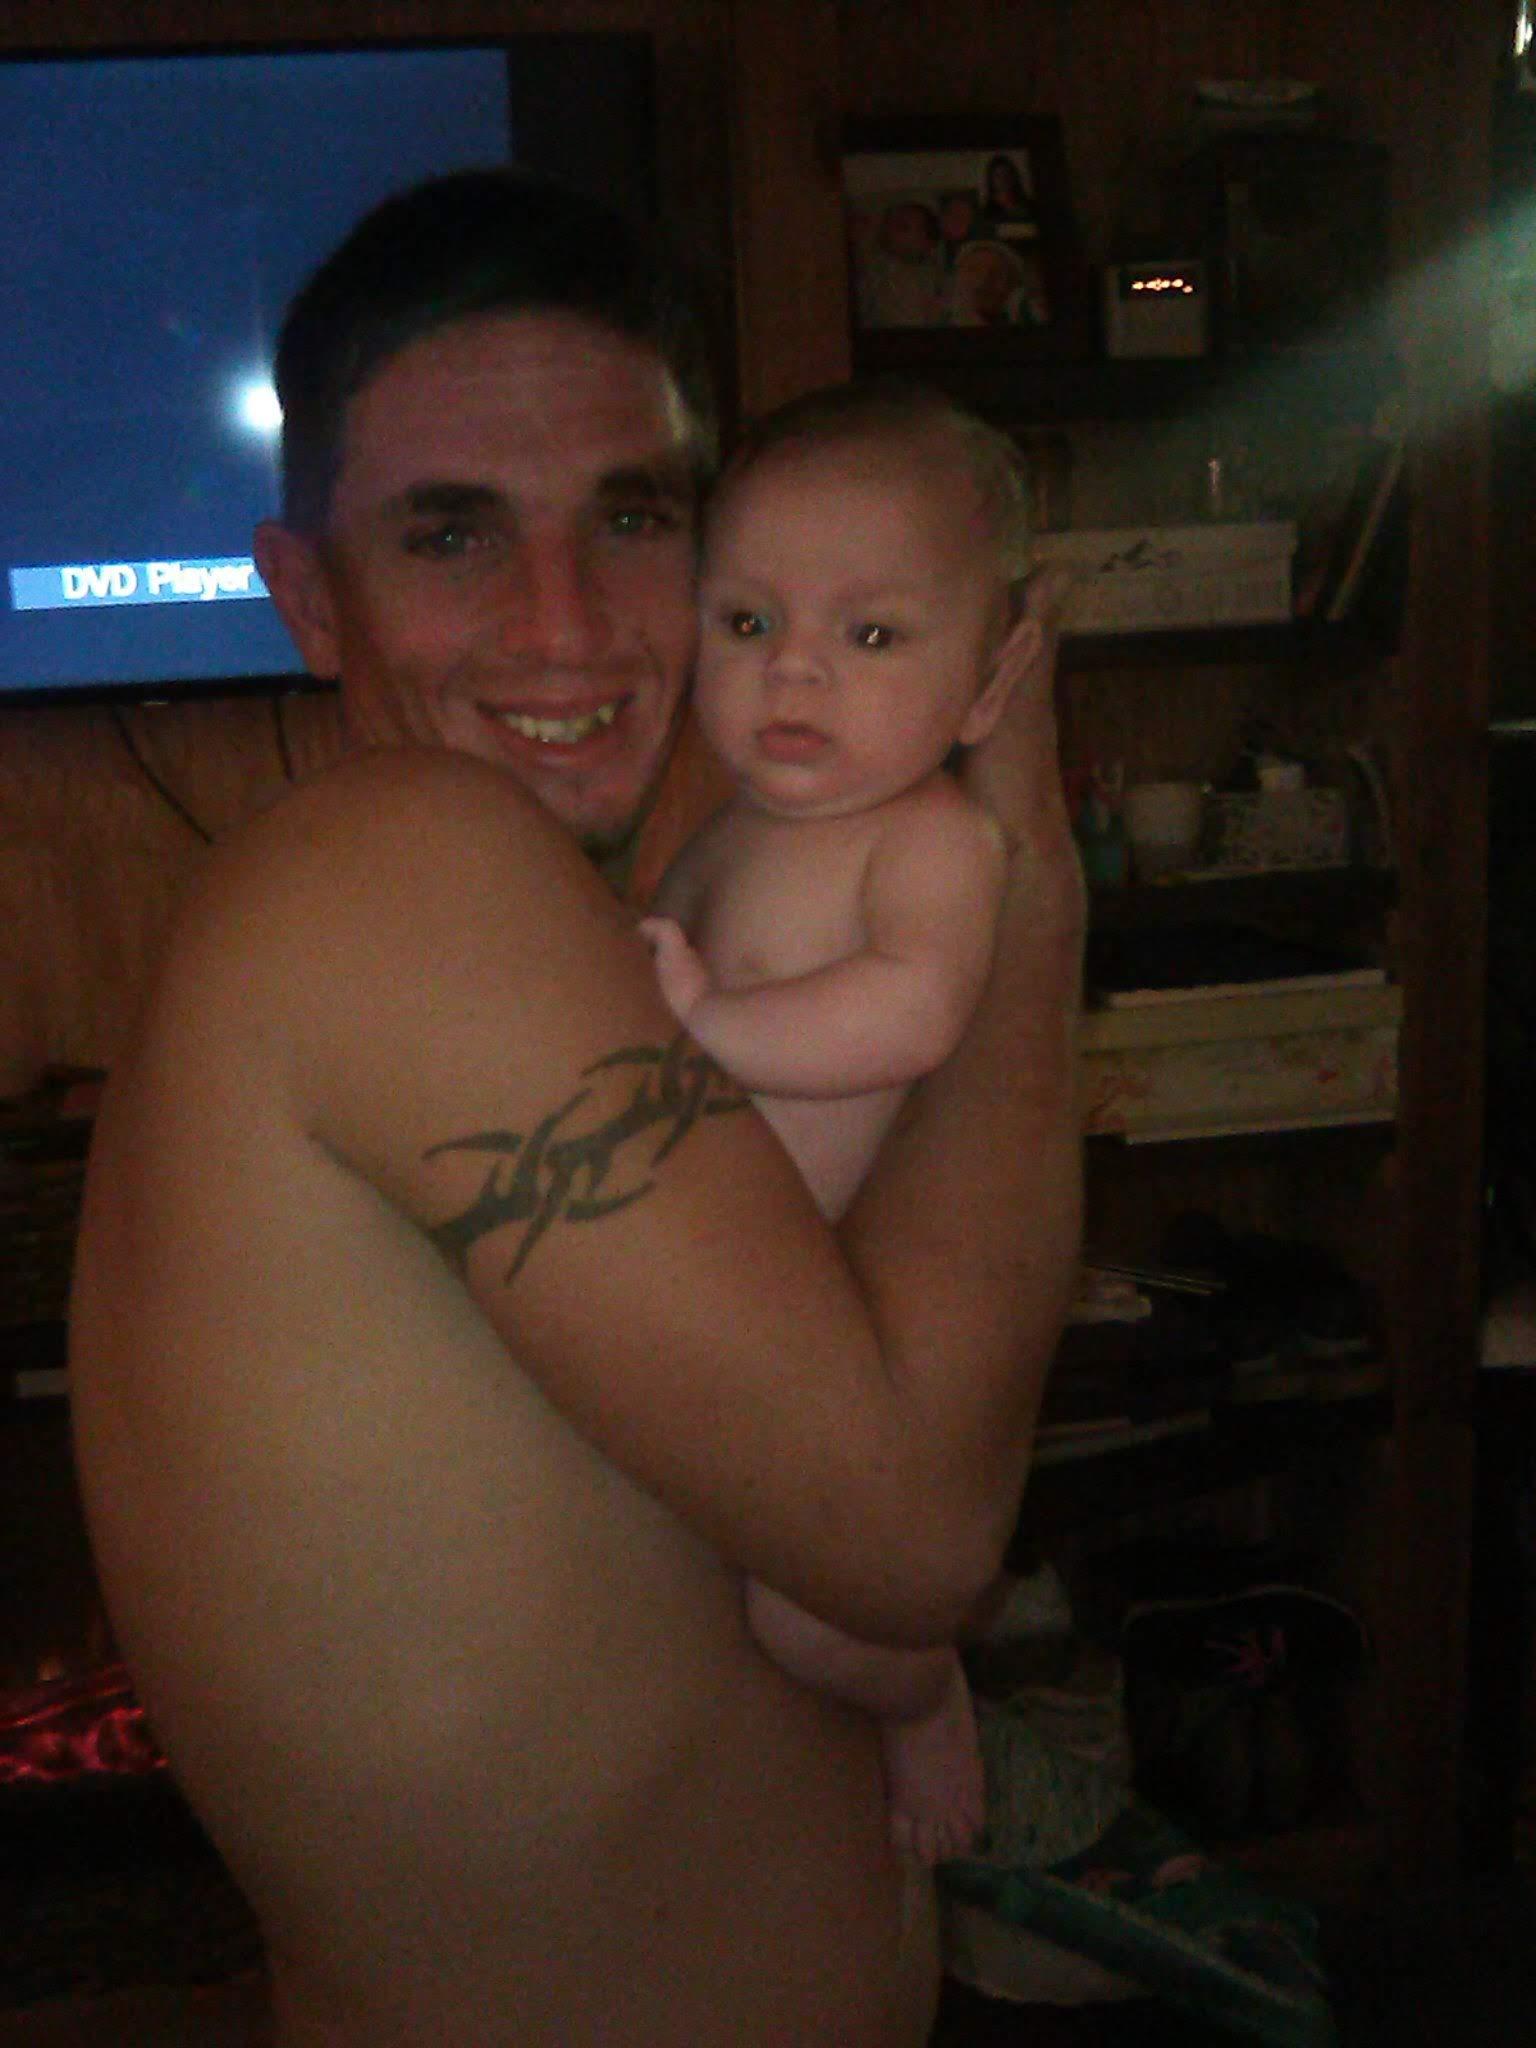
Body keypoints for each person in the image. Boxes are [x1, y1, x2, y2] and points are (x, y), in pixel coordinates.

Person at [66, 167, 1084, 2048]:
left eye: (631, 519)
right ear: (310, 598)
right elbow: (917, 1531)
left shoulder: (587, 927)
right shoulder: (401, 863)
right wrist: (1013, 838)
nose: (566, 626)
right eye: (452, 534)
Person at [640, 380, 1034, 1866]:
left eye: (870, 638)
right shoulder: (723, 832)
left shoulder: (935, 840)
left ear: (988, 686)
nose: (793, 672)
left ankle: (923, 1694)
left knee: (805, 1612)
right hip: (698, 1274)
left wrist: (709, 1026)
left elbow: (912, 1011)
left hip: (803, 1311)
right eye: (747, 623)